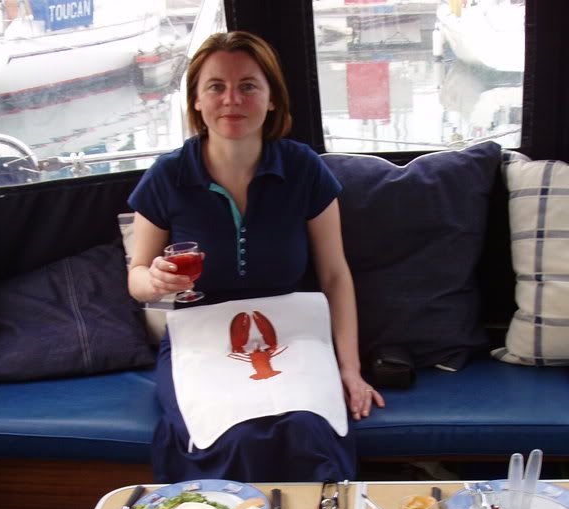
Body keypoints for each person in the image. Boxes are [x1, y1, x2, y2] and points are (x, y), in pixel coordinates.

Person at [127, 30, 384, 482]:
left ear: (271, 100)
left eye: (248, 86)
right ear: (197, 102)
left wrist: (350, 368)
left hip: (295, 333)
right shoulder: (168, 175)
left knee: (307, 426)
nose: (232, 99)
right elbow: (137, 277)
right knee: (228, 435)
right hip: (199, 339)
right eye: (216, 86)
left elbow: (334, 276)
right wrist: (156, 281)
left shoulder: (304, 168)